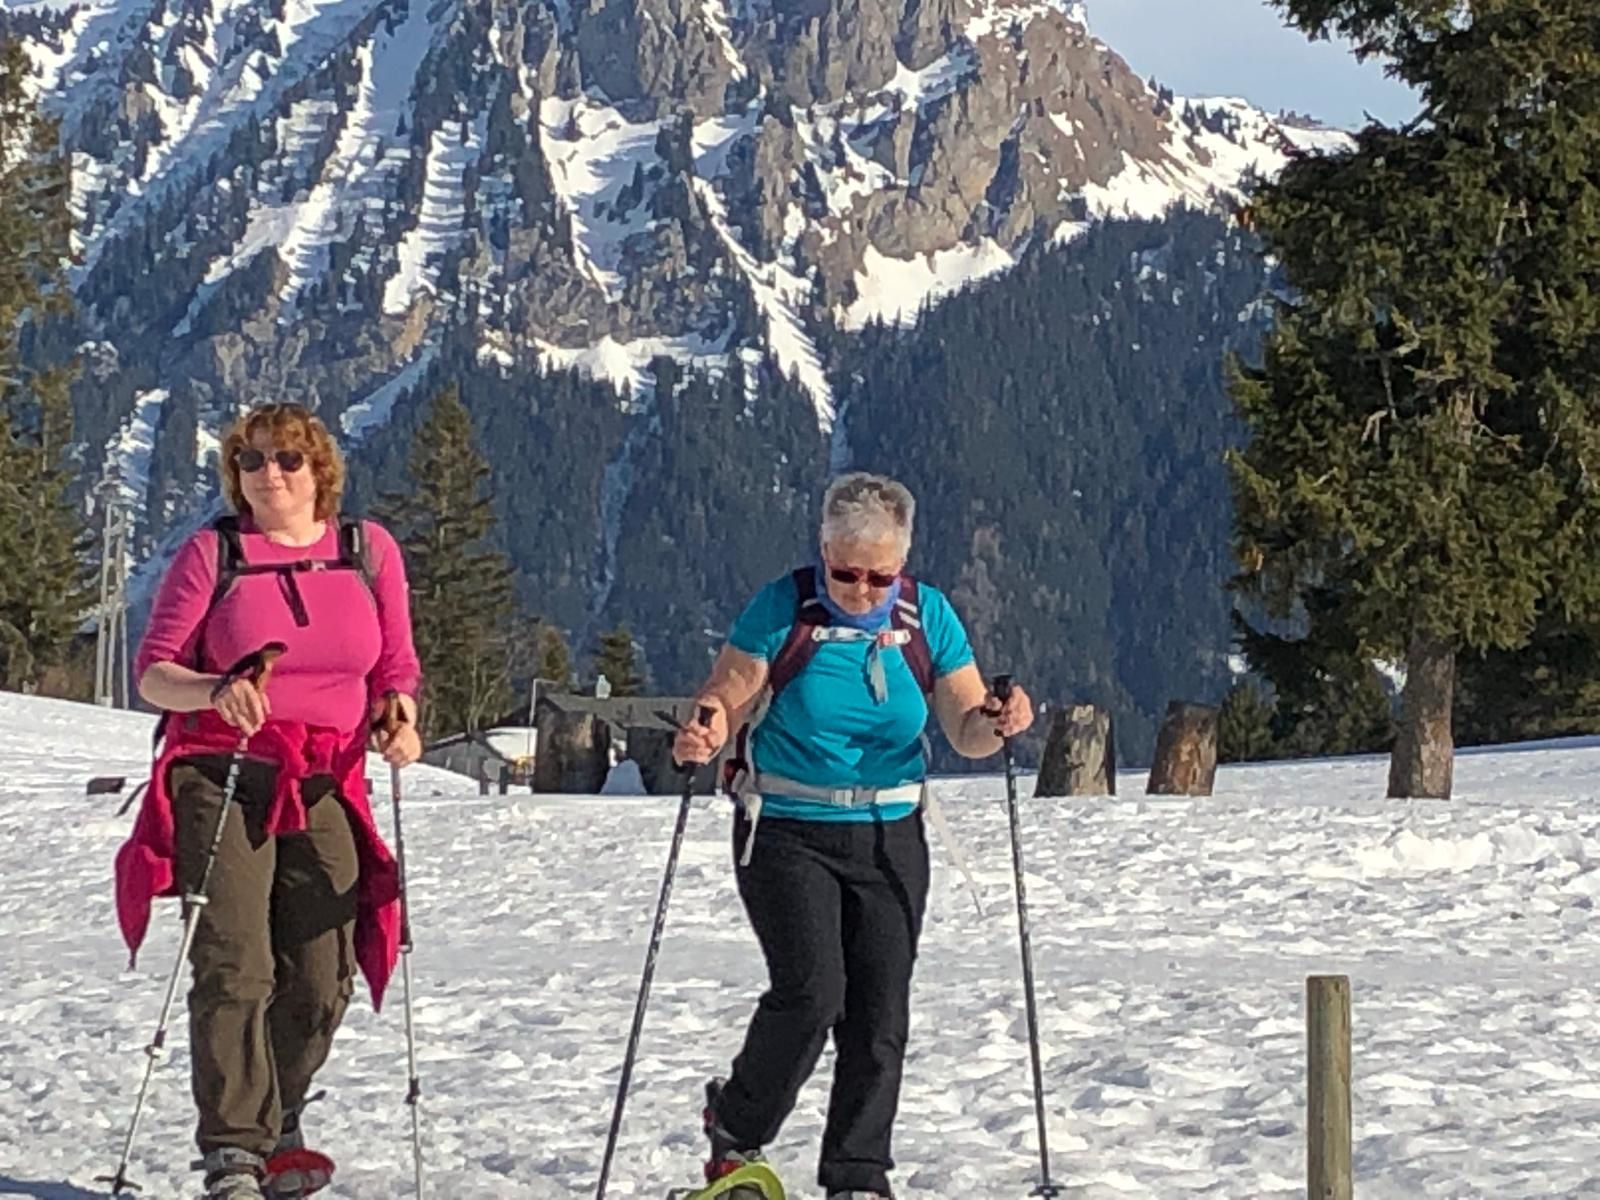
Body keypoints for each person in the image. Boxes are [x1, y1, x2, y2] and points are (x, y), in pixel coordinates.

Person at [672, 472, 1035, 1200]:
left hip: (891, 831)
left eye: (880, 575)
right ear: (823, 550)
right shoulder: (785, 607)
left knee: (880, 1012)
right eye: (847, 572)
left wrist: (998, 720)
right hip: (784, 829)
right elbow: (730, 690)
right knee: (812, 993)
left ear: (901, 565)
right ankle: (737, 1130)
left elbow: (964, 728)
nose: (863, 589)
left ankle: (859, 1175)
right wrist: (707, 725)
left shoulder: (926, 616)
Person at [114, 402, 423, 1199]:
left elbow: (395, 664)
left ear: (320, 469)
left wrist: (401, 714)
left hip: (325, 778)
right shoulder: (213, 554)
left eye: (286, 458)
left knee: (322, 970)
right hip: (220, 771)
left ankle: (278, 1112)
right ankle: (236, 1150)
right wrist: (216, 690)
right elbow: (152, 673)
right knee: (235, 964)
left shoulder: (366, 551)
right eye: (250, 462)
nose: (269, 474)